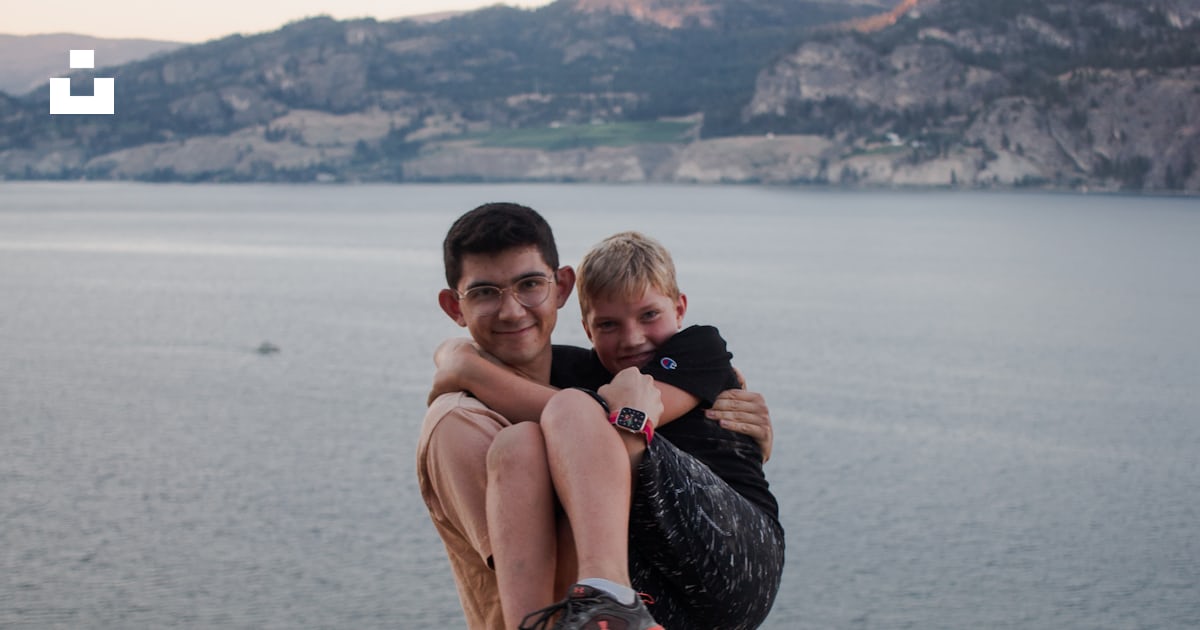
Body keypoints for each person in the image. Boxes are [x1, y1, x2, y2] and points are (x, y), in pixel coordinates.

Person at [416, 203, 776, 629]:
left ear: (679, 309)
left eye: (649, 315)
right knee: (526, 438)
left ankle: (607, 592)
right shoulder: (557, 381)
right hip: (666, 586)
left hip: (735, 551)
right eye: (608, 325)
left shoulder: (699, 349)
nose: (633, 338)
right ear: (587, 329)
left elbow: (629, 414)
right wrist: (455, 358)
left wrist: (464, 367)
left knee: (572, 410)